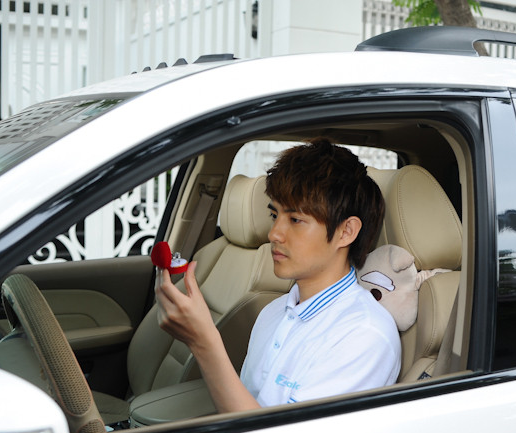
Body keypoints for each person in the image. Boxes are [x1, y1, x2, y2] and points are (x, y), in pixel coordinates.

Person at [155, 137, 400, 412]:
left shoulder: (364, 335)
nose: (274, 234)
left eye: (295, 220)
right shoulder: (272, 313)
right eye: (274, 216)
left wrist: (204, 342)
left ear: (346, 232)